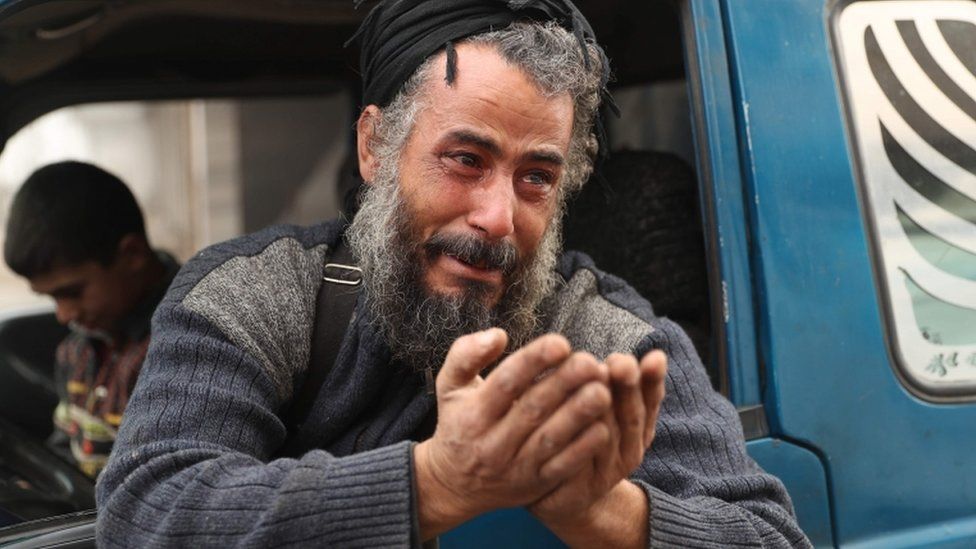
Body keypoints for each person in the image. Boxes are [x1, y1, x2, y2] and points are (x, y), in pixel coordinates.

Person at [95, 1, 811, 547]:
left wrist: (606, 512)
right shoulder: (253, 295)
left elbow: (771, 533)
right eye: (465, 159)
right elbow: (146, 509)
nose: (499, 217)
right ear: (376, 147)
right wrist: (435, 482)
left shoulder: (606, 339)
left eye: (536, 177)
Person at [3, 161, 179, 477]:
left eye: (72, 292)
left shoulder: (186, 347)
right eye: (52, 299)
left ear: (133, 255)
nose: (64, 314)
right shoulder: (76, 353)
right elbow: (64, 457)